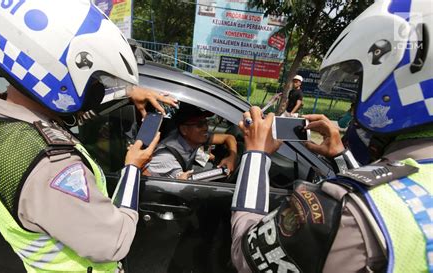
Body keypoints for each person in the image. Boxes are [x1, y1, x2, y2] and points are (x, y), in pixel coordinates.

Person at [230, 0, 433, 272]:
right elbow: (379, 190)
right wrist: (340, 156)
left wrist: (256, 154)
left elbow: (245, 252)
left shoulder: (346, 211)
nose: (356, 98)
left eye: (359, 84)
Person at [0, 1, 177, 272]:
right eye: (94, 82)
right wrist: (132, 169)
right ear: (55, 74)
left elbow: (63, 112)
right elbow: (115, 242)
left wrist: (127, 93)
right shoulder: (52, 167)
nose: (96, 90)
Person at [146, 103, 237, 180]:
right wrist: (179, 181)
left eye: (206, 123)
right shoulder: (166, 157)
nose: (205, 128)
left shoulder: (194, 138)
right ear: (184, 129)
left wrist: (231, 157)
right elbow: (142, 176)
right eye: (200, 124)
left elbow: (229, 138)